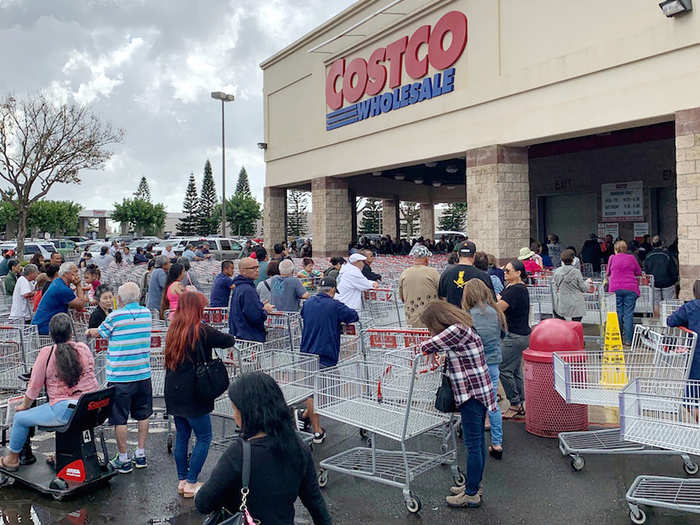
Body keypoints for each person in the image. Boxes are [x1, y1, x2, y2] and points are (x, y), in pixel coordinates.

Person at [195, 372, 331, 524]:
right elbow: (315, 503)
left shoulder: (239, 453)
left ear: (249, 412)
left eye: (235, 409)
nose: (234, 416)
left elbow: (203, 503)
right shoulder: (298, 445)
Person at [419, 301, 496, 509]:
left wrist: (429, 342)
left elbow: (425, 347)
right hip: (479, 391)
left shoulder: (455, 330)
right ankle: (473, 486)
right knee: (477, 443)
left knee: (473, 446)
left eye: (430, 326)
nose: (430, 330)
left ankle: (471, 494)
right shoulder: (463, 327)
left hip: (471, 394)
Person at [0, 313, 99, 472]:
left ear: (51, 334)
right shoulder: (83, 348)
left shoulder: (47, 353)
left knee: (20, 418)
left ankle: (12, 460)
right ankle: (65, 455)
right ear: (71, 332)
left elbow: (34, 386)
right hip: (91, 407)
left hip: (65, 410)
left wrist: (24, 406)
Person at [165, 292, 236, 498]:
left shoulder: (174, 329)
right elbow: (227, 340)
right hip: (194, 392)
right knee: (204, 436)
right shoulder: (200, 330)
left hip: (173, 390)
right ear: (197, 309)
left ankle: (182, 480)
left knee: (182, 435)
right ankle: (192, 481)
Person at [86, 282, 153, 473]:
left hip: (120, 376)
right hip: (142, 373)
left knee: (120, 418)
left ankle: (123, 459)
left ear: (120, 299)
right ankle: (140, 454)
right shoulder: (147, 314)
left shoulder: (114, 316)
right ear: (139, 297)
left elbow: (99, 333)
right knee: (143, 414)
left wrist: (89, 331)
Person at [296, 277, 359, 443]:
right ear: (332, 290)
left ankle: (303, 416)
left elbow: (303, 315)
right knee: (320, 393)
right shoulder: (335, 305)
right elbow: (353, 316)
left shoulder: (308, 303)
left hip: (306, 351)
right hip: (325, 352)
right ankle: (317, 431)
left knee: (313, 391)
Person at [462, 278, 506, 460]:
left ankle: (476, 442)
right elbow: (502, 335)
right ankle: (497, 443)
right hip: (493, 362)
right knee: (492, 403)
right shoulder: (496, 313)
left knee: (474, 404)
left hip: (474, 365)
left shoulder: (466, 316)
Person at [497, 259, 530, 419]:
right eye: (504, 270)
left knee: (502, 367)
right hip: (519, 334)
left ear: (518, 273)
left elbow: (499, 307)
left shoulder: (516, 290)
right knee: (515, 370)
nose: (505, 273)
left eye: (508, 271)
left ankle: (515, 403)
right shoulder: (511, 288)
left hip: (516, 336)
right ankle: (520, 402)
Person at [32, 262, 88, 335]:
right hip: (46, 327)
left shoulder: (58, 282)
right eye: (75, 272)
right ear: (65, 274)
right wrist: (78, 285)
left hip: (44, 324)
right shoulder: (61, 288)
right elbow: (80, 304)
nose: (78, 274)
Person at [229, 257, 274, 342]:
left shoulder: (239, 287)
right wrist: (265, 310)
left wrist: (260, 305)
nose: (257, 270)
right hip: (250, 337)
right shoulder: (248, 290)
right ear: (243, 271)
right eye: (253, 268)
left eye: (257, 267)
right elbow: (255, 316)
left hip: (240, 334)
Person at [438, 241, 495, 308]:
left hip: (452, 316)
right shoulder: (483, 276)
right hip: (474, 317)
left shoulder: (446, 274)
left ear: (458, 255)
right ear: (474, 256)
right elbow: (491, 302)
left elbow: (442, 299)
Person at [607, 240, 641, 346]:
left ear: (616, 249)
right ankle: (628, 340)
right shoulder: (631, 258)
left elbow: (608, 272)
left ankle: (618, 338)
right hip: (630, 288)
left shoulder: (612, 258)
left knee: (618, 312)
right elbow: (638, 272)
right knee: (628, 314)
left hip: (615, 288)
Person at [666, 279, 700, 382]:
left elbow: (671, 321)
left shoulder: (690, 307)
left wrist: (687, 323)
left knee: (693, 385)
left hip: (696, 352)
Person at [398, 245, 440, 328]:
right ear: (426, 258)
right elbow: (441, 292)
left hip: (411, 318)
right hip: (430, 318)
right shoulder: (433, 272)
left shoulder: (404, 273)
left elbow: (402, 297)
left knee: (414, 339)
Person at [552, 249, 591, 322]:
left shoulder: (557, 271)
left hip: (562, 300)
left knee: (561, 320)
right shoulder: (576, 272)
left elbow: (554, 286)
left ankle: (566, 330)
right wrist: (587, 283)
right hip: (576, 301)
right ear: (573, 259)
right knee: (576, 322)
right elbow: (583, 288)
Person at [643, 235, 679, 306]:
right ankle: (668, 317)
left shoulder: (648, 256)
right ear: (661, 244)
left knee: (656, 304)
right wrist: (675, 280)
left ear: (652, 245)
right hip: (668, 283)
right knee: (669, 304)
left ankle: (657, 317)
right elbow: (673, 269)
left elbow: (646, 270)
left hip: (655, 283)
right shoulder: (667, 255)